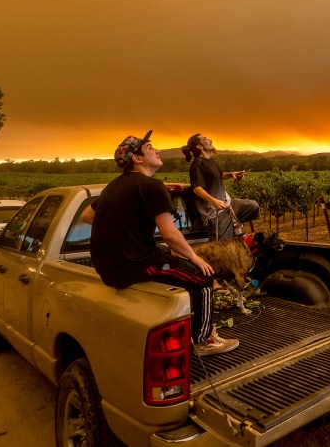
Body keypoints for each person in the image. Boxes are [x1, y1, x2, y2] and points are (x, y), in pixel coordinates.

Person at [81, 130, 238, 354]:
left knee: (165, 254)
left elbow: (87, 216)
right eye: (150, 148)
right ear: (137, 159)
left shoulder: (112, 186)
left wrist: (124, 228)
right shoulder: (152, 186)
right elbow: (170, 234)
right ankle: (204, 340)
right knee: (204, 276)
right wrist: (195, 257)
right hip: (135, 266)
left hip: (108, 269)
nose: (158, 150)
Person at [182, 133, 260, 240]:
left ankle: (233, 224)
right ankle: (230, 227)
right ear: (199, 146)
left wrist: (232, 174)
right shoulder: (197, 164)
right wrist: (214, 201)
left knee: (253, 206)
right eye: (205, 139)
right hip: (215, 212)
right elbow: (197, 188)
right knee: (226, 245)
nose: (210, 140)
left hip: (227, 205)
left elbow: (220, 175)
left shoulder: (210, 161)